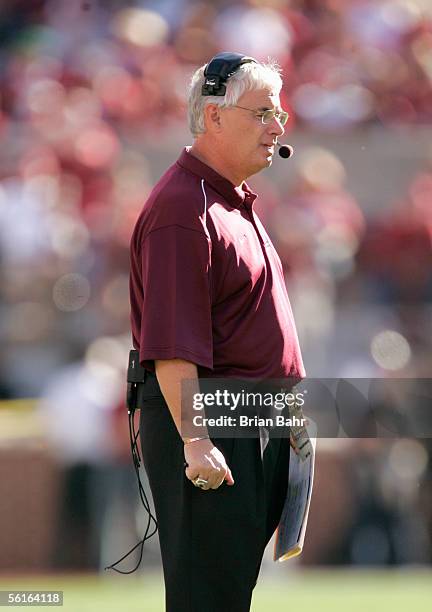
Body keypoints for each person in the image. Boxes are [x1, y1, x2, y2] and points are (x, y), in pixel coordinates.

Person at [129, 52, 305, 612]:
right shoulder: (186, 207)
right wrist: (197, 441)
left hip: (245, 419)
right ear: (214, 117)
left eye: (279, 113)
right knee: (207, 598)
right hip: (214, 423)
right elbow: (171, 344)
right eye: (261, 113)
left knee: (226, 595)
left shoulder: (226, 200)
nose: (276, 127)